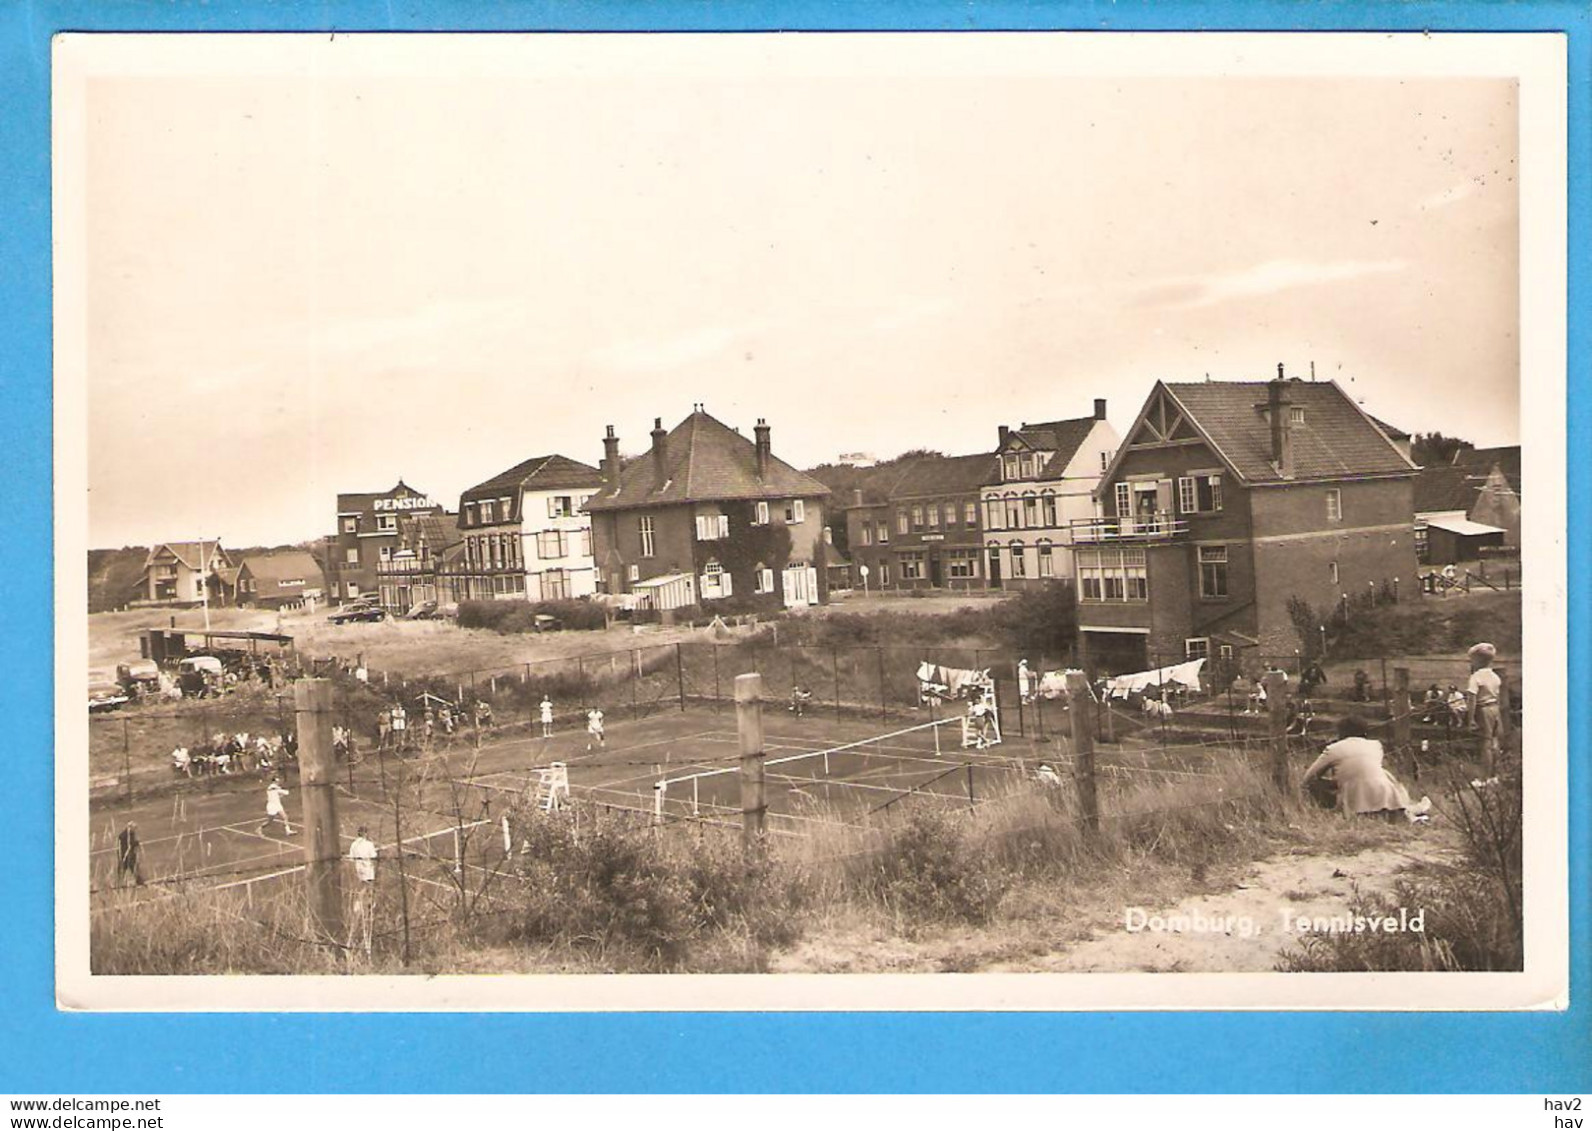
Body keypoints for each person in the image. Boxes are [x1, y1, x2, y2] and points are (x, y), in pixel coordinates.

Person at [1301, 717, 1428, 821]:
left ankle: (1336, 809)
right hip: (1385, 796)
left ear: (1340, 732)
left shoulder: (1333, 749)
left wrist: (1334, 781)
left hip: (1353, 800)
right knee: (1384, 773)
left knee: (1313, 785)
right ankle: (1405, 806)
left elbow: (1308, 778)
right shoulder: (1376, 745)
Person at [1466, 641, 1505, 768]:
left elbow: (1472, 699)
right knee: (1494, 740)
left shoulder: (1476, 677)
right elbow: (1497, 696)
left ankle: (1485, 777)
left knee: (1484, 743)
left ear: (1477, 661)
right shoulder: (1495, 676)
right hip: (1494, 708)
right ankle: (1496, 773)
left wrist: (1470, 718)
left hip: (1483, 710)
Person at [347, 826, 378, 956]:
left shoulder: (354, 844)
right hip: (368, 870)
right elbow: (374, 857)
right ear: (365, 833)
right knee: (368, 887)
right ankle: (365, 904)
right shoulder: (369, 844)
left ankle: (360, 903)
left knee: (362, 886)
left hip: (358, 870)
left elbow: (351, 858)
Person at [116, 822, 144, 887]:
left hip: (130, 855)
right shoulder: (124, 835)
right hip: (125, 855)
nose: (135, 830)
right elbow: (130, 844)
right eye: (134, 828)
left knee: (133, 869)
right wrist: (136, 843)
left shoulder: (130, 834)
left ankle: (139, 881)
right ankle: (119, 883)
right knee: (125, 869)